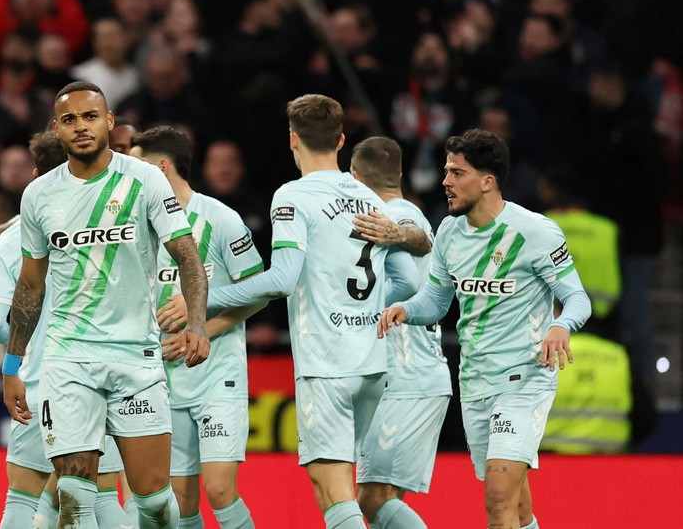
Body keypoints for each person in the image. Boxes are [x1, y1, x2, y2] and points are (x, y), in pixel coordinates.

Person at [2, 80, 212, 528]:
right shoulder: (39, 196)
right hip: (69, 358)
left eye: (90, 116)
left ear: (109, 122)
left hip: (135, 355)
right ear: (57, 129)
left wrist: (197, 322)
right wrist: (12, 365)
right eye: (70, 119)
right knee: (75, 494)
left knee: (154, 500)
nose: (81, 127)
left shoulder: (146, 180)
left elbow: (188, 257)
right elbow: (30, 286)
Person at [203, 94, 418, 529]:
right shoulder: (370, 197)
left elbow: (282, 278)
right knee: (340, 487)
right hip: (373, 362)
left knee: (332, 486)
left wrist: (205, 298)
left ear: (293, 140)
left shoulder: (293, 196)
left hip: (326, 363)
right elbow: (409, 283)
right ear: (340, 140)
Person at [379, 129, 591, 529]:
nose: (445, 181)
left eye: (457, 173)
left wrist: (561, 324)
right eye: (446, 172)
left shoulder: (535, 231)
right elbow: (436, 303)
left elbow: (578, 298)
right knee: (517, 508)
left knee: (497, 499)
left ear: (487, 181)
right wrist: (403, 310)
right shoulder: (448, 232)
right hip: (475, 381)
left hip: (523, 379)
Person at [0, 132, 135, 529]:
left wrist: (25, 341)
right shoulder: (109, 229)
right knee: (100, 496)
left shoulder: (15, 235)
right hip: (101, 378)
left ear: (36, 175)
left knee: (22, 496)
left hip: (38, 382)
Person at [136, 126, 262, 529]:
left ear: (161, 167)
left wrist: (203, 327)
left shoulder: (221, 219)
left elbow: (257, 293)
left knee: (220, 490)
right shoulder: (140, 226)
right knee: (181, 501)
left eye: (138, 167)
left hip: (217, 378)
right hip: (163, 381)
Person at [347, 136, 449, 529]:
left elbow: (408, 256)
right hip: (411, 377)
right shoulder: (401, 210)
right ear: (400, 173)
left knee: (370, 500)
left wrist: (358, 313)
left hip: (405, 378)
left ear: (354, 177)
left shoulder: (396, 213)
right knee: (384, 502)